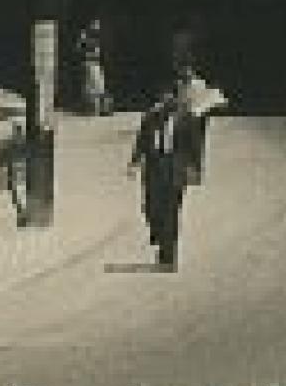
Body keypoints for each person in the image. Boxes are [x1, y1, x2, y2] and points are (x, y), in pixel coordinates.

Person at [128, 78, 201, 270]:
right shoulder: (151, 116)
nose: (167, 100)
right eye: (163, 97)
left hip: (175, 168)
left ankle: (168, 255)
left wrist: (194, 168)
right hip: (154, 166)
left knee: (171, 212)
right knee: (151, 208)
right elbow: (142, 140)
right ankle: (159, 235)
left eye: (171, 97)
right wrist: (134, 161)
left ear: (176, 98)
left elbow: (195, 146)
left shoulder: (188, 118)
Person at [78, 21, 110, 116]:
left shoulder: (96, 39)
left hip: (96, 64)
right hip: (89, 64)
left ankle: (101, 108)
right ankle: (92, 109)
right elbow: (82, 49)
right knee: (91, 88)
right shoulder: (85, 38)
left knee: (99, 87)